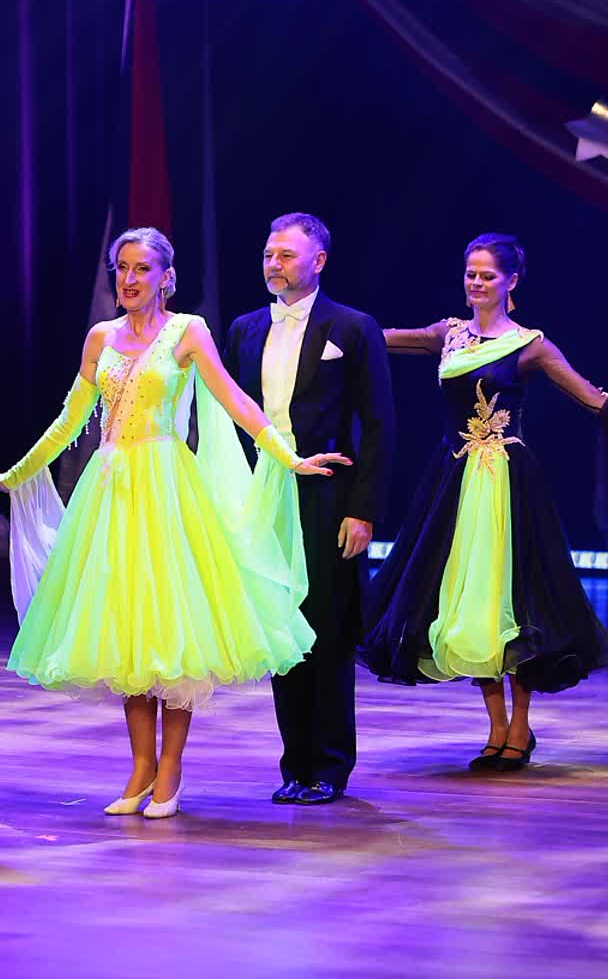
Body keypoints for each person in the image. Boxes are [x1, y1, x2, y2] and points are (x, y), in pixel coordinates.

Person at [0, 227, 347, 818]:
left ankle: (170, 767)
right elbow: (71, 419)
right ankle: (141, 765)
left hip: (166, 489)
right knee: (127, 635)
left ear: (166, 277)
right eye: (122, 267)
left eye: (142, 268)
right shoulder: (101, 337)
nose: (129, 278)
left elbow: (235, 401)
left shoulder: (187, 331)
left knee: (171, 633)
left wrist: (288, 457)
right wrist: (17, 475)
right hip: (111, 493)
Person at [367, 234, 608, 770]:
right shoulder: (447, 334)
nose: (476, 283)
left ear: (511, 281)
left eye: (487, 275)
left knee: (514, 601)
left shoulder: (530, 345)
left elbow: (594, 399)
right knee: (469, 606)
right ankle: (495, 728)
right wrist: (323, 324)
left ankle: (519, 728)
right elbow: (372, 338)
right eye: (470, 273)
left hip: (508, 484)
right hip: (454, 481)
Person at [222, 213, 396, 806]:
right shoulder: (246, 329)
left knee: (326, 625)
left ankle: (329, 765)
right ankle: (295, 761)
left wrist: (364, 509)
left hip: (327, 493)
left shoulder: (353, 327)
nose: (274, 264)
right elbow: (230, 416)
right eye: (269, 254)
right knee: (279, 623)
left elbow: (379, 423)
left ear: (318, 261)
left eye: (287, 255)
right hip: (264, 491)